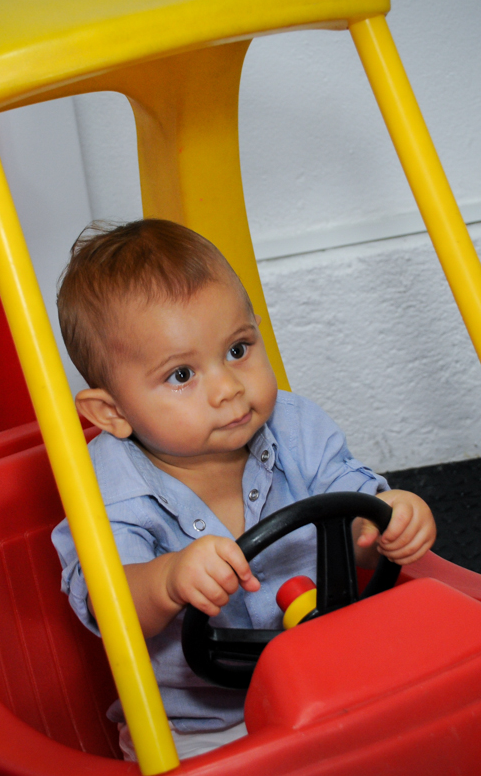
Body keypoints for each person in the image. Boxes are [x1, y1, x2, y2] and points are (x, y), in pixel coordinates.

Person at [50, 219, 436, 761]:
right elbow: (110, 605)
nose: (228, 388)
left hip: (333, 673)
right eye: (182, 375)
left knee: (432, 725)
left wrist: (386, 518)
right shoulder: (108, 485)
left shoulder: (295, 425)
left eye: (237, 349)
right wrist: (168, 580)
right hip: (202, 721)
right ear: (111, 412)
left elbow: (352, 505)